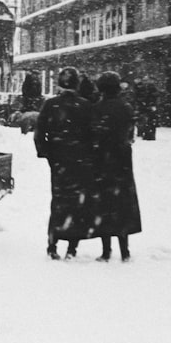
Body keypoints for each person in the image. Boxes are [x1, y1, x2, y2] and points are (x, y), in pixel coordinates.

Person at [34, 67, 95, 260]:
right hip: (79, 160)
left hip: (58, 160)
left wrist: (46, 153)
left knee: (58, 201)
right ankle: (72, 245)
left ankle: (52, 243)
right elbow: (93, 134)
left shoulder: (50, 104)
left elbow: (39, 132)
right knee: (77, 202)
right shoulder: (85, 106)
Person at [90, 71, 141, 262]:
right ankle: (125, 249)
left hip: (102, 161)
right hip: (122, 162)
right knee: (122, 205)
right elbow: (130, 134)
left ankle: (106, 250)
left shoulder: (97, 108)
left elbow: (93, 134)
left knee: (104, 204)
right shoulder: (126, 108)